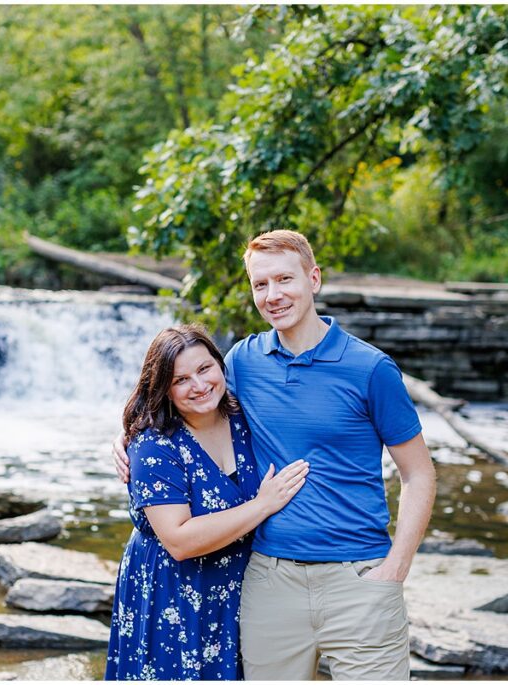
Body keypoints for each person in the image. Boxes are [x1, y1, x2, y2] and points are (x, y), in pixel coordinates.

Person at [114, 229, 436, 680]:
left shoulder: (371, 370)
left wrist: (396, 568)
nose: (273, 295)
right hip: (268, 580)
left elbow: (418, 474)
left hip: (358, 579)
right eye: (260, 284)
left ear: (314, 279)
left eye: (284, 279)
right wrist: (126, 440)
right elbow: (183, 397)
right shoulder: (243, 363)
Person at [105, 324, 310, 680]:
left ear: (220, 364)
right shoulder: (154, 445)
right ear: (163, 389)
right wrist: (262, 504)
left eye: (204, 369)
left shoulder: (245, 420)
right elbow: (180, 541)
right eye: (180, 379)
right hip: (174, 592)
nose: (198, 386)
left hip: (240, 589)